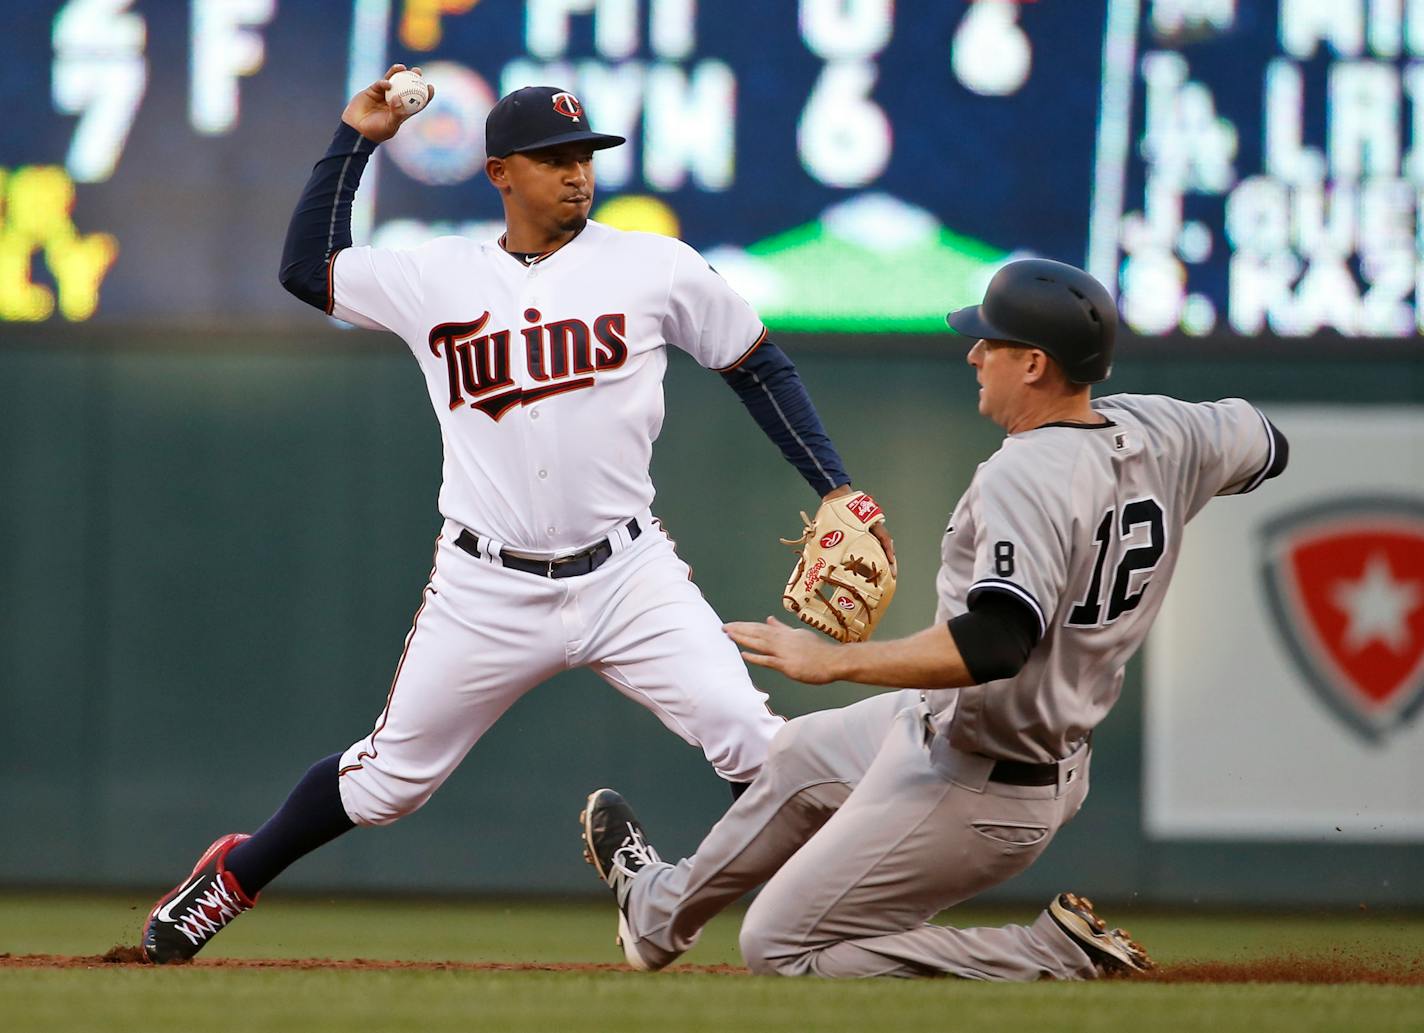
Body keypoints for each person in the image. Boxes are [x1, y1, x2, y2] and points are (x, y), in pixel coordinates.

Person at [139, 67, 892, 964]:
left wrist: (834, 486)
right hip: (483, 585)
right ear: (500, 172)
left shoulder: (652, 264)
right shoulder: (440, 275)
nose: (577, 173)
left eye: (585, 156)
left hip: (628, 574)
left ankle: (810, 914)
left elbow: (757, 363)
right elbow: (308, 269)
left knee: (757, 746)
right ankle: (229, 878)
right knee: (388, 784)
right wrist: (356, 136)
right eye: (552, 158)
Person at [580, 258, 1290, 980]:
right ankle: (658, 914)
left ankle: (1045, 954)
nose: (975, 352)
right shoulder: (1164, 429)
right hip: (963, 731)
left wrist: (832, 661)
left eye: (993, 341)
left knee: (778, 947)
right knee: (795, 757)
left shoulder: (1028, 472)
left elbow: (995, 641)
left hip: (984, 780)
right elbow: (1268, 442)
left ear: (1036, 364)